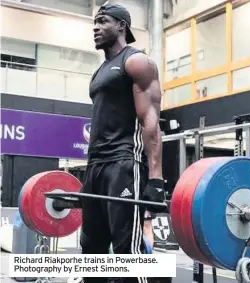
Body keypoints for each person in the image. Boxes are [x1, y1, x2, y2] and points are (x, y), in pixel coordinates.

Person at [80, 3, 166, 283]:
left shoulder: (136, 61)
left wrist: (155, 179)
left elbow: (150, 122)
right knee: (91, 249)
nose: (95, 27)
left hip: (123, 162)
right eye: (94, 22)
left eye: (102, 21)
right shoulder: (100, 71)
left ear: (121, 26)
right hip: (95, 165)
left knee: (125, 251)